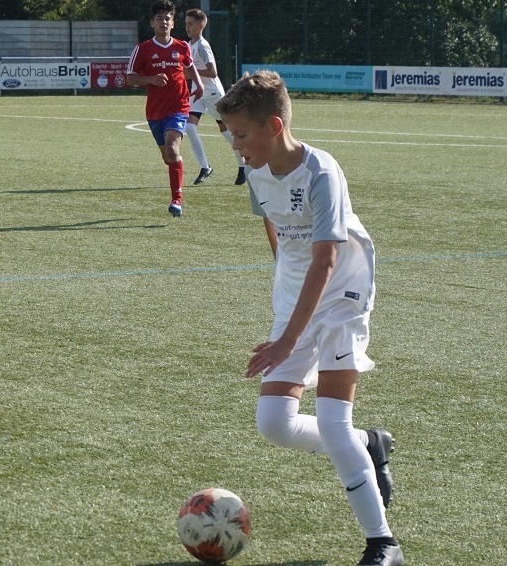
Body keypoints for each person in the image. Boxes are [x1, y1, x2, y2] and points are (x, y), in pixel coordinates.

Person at [217, 70, 404, 566]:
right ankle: (370, 445)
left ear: (274, 126)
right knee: (274, 424)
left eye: (241, 134)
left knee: (332, 423)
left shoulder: (321, 171)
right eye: (230, 135)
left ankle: (383, 543)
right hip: (295, 296)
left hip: (342, 293)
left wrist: (285, 342)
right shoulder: (256, 169)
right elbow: (273, 222)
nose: (235, 145)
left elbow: (325, 260)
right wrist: (283, 279)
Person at [127, 0, 204, 217]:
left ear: (173, 23)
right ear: (152, 23)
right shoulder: (142, 49)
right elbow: (130, 78)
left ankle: (176, 200)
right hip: (155, 112)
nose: (164, 22)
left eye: (167, 18)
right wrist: (151, 79)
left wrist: (198, 85)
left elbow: (190, 67)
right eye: (159, 18)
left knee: (172, 149)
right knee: (168, 156)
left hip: (179, 106)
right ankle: (175, 168)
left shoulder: (182, 47)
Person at [183, 9, 248, 186]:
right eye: (186, 24)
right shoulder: (189, 45)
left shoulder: (202, 46)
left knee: (227, 131)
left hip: (213, 94)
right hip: (197, 93)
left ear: (201, 25)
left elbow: (213, 72)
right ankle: (205, 167)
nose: (187, 27)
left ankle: (243, 166)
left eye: (191, 24)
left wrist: (191, 72)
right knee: (189, 127)